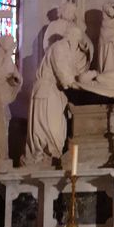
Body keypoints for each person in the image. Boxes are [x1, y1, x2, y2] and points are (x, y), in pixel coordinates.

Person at [22, 21, 88, 165]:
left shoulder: (67, 50)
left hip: (56, 94)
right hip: (47, 92)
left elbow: (72, 73)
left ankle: (51, 153)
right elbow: (64, 75)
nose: (77, 45)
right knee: (49, 128)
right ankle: (41, 154)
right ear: (72, 37)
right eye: (77, 40)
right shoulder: (59, 47)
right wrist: (83, 85)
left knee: (57, 129)